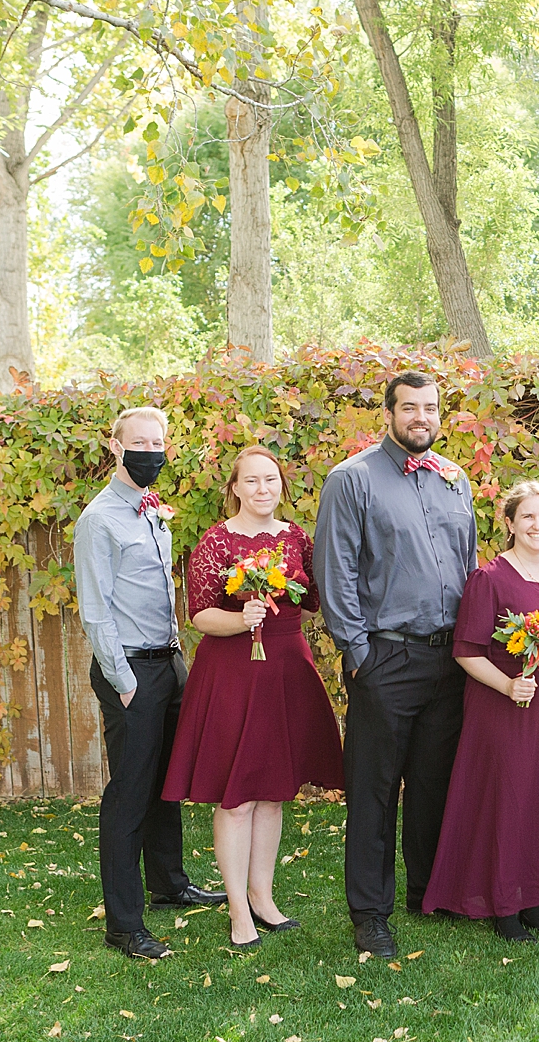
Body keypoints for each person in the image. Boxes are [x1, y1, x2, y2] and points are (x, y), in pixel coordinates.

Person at [314, 370, 478, 959]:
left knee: (434, 784)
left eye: (430, 408)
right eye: (409, 407)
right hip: (384, 657)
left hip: (448, 660)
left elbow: (469, 565)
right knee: (375, 790)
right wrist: (359, 654)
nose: (420, 418)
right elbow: (335, 572)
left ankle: (428, 891)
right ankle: (369, 913)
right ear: (389, 413)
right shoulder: (352, 480)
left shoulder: (453, 480)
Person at [163, 445, 344, 949]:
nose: (263, 490)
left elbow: (310, 602)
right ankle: (238, 909)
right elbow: (199, 616)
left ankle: (263, 897)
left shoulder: (296, 538)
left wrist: (283, 612)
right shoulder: (217, 541)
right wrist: (242, 619)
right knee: (237, 797)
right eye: (252, 481)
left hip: (286, 668)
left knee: (271, 792)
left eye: (271, 481)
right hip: (233, 674)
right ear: (235, 488)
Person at [73, 405, 226, 961]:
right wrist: (123, 679)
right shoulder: (99, 519)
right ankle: (124, 924)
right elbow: (95, 610)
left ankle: (170, 884)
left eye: (157, 443)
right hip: (130, 671)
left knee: (167, 782)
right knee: (129, 794)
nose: (149, 452)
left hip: (167, 662)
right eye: (138, 443)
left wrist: (176, 657)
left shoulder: (152, 512)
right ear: (115, 446)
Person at [424, 482, 539, 941]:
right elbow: (466, 650)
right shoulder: (491, 578)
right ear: (509, 524)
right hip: (502, 708)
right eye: (527, 517)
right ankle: (503, 903)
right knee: (507, 797)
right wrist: (507, 684)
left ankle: (533, 899)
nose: (537, 525)